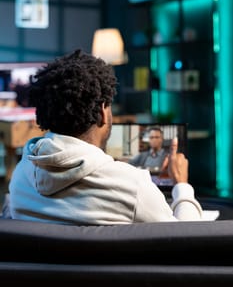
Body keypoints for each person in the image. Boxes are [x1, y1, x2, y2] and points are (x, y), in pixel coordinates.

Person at [6, 49, 203, 224]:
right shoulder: (133, 185)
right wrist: (182, 185)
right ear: (102, 111)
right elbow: (186, 240)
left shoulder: (21, 178)